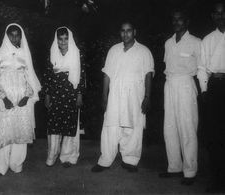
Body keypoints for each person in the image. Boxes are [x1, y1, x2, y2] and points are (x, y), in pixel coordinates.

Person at [91, 21, 154, 172]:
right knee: (110, 126)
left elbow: (148, 75)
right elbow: (107, 75)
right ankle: (105, 159)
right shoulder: (113, 50)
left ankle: (130, 160)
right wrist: (104, 96)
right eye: (123, 31)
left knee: (132, 128)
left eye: (129, 31)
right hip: (115, 96)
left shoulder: (144, 51)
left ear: (135, 32)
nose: (126, 34)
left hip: (135, 96)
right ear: (120, 33)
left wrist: (147, 96)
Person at [0, 23, 41, 176]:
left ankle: (16, 164)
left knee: (20, 131)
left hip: (21, 99)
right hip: (4, 98)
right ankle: (0, 166)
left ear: (20, 36)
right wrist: (2, 97)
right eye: (11, 34)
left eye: (17, 35)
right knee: (3, 131)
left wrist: (27, 96)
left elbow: (30, 77)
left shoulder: (24, 53)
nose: (14, 37)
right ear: (6, 35)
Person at [158, 10, 201, 185]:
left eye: (180, 19)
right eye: (174, 19)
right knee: (170, 128)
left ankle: (190, 171)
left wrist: (202, 91)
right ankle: (174, 167)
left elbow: (201, 68)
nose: (176, 22)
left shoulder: (196, 42)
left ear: (187, 21)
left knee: (187, 128)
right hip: (170, 85)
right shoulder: (168, 43)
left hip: (186, 85)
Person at [43, 27, 85, 167]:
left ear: (70, 39)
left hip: (71, 93)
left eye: (65, 38)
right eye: (60, 39)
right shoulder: (52, 53)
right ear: (56, 40)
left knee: (69, 125)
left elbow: (81, 75)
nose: (62, 42)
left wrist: (79, 94)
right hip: (55, 94)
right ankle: (52, 155)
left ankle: (67, 156)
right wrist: (47, 94)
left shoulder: (76, 54)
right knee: (53, 125)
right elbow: (48, 76)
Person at [197, 2, 225, 193]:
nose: (220, 16)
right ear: (212, 16)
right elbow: (201, 68)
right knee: (214, 136)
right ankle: (216, 180)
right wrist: (205, 91)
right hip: (214, 87)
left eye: (223, 13)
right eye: (216, 13)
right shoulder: (207, 40)